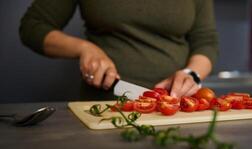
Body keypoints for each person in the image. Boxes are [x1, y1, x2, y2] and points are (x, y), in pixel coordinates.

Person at [20, 0, 218, 100]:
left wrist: (192, 74)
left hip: (177, 109)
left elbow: (206, 41)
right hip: (104, 108)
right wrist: (84, 48)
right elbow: (33, 26)